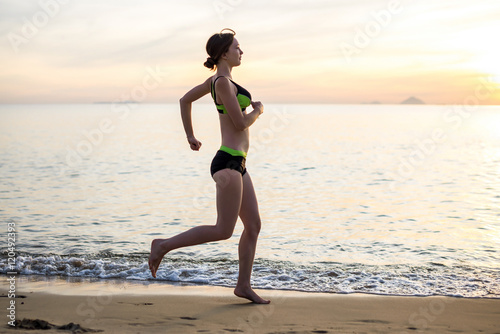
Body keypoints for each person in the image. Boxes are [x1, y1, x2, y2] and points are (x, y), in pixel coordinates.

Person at [148, 29, 269, 304]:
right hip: (227, 162)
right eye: (237, 47)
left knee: (253, 225)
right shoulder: (223, 82)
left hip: (238, 163)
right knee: (223, 230)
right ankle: (162, 245)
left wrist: (190, 135)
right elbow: (239, 123)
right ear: (224, 53)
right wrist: (257, 111)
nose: (242, 52)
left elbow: (185, 100)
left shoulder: (216, 81)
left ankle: (243, 286)